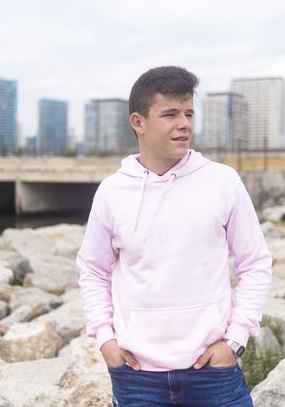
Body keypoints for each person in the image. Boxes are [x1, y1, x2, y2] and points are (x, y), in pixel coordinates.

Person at [77, 66, 272, 407]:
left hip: (214, 372)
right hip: (137, 377)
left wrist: (236, 340)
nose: (184, 124)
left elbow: (255, 263)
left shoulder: (223, 182)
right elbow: (93, 269)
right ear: (138, 122)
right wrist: (106, 339)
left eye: (188, 113)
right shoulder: (112, 192)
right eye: (170, 114)